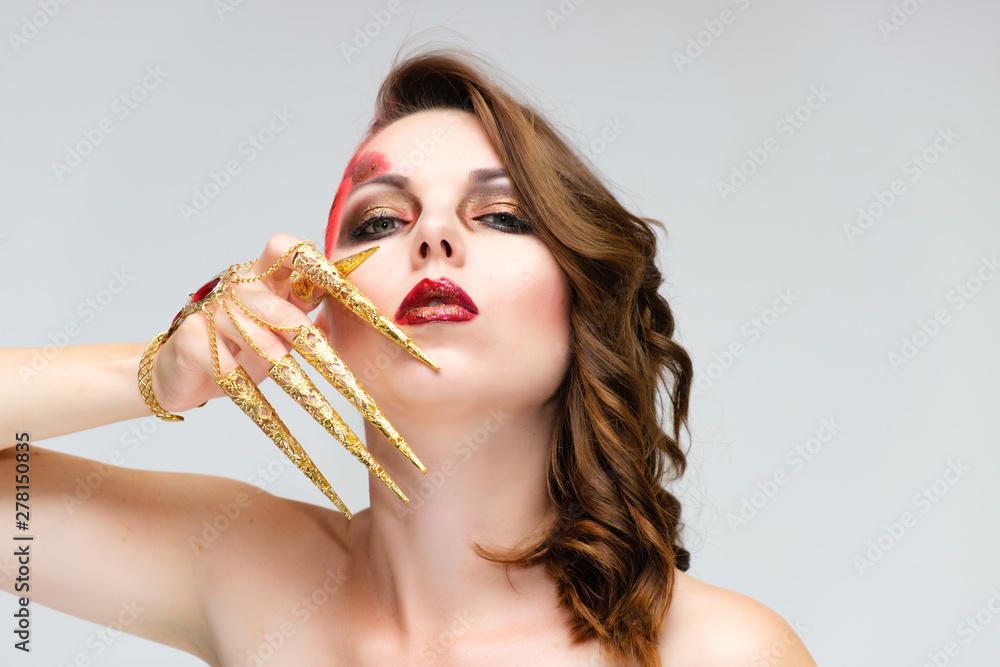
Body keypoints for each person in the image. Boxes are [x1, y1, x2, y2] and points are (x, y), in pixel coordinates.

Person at [0, 48, 817, 666]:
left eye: (500, 215)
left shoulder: (719, 649)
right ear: (317, 309)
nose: (432, 236)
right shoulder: (243, 567)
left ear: (582, 302)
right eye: (379, 221)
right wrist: (159, 374)